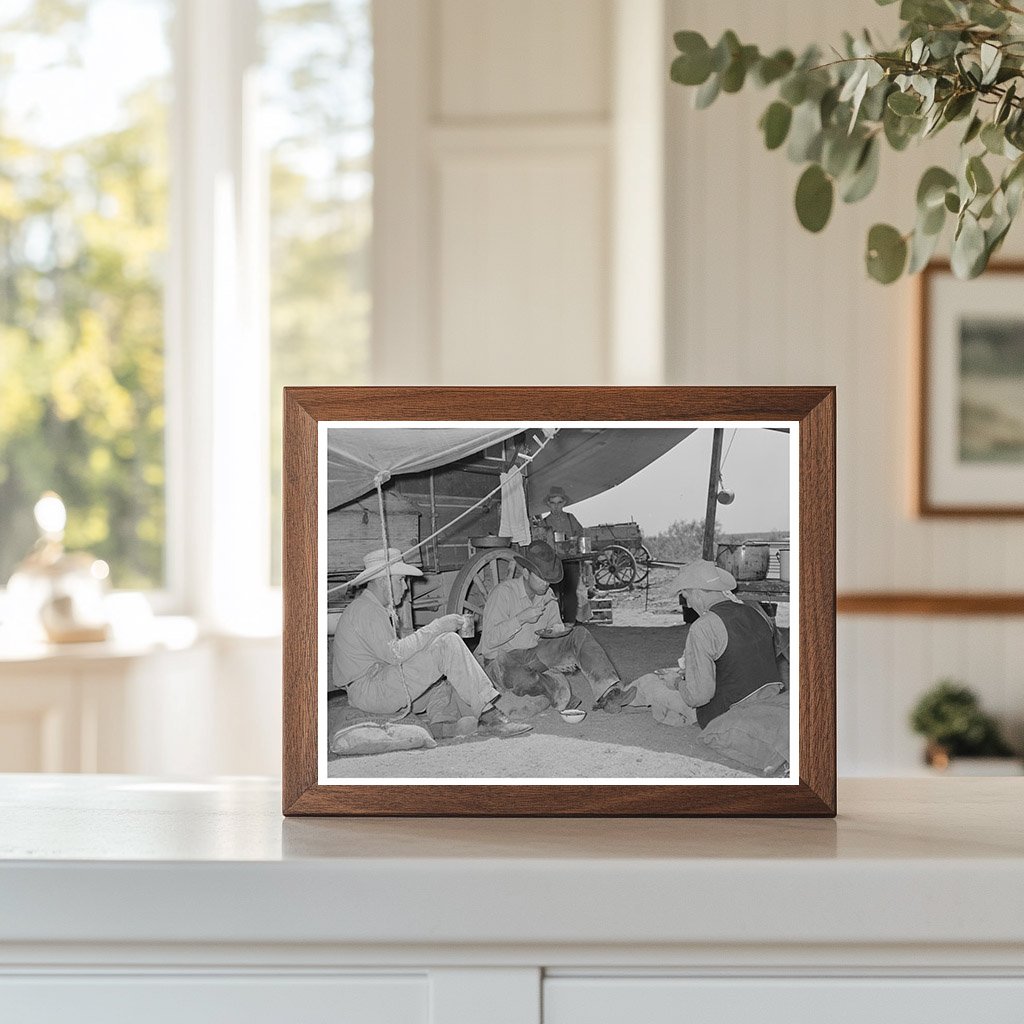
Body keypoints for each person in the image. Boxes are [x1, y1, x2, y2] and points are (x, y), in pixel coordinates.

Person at [333, 548, 532, 740]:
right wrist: (438, 627)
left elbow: (396, 654)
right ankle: (491, 718)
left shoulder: (367, 607)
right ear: (383, 581)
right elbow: (395, 655)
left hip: (373, 686)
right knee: (447, 644)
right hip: (370, 690)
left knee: (444, 681)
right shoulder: (367, 610)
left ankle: (441, 725)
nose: (405, 587)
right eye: (400, 580)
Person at [629, 559, 789, 773]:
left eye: (685, 596)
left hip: (728, 709)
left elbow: (699, 696)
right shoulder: (756, 612)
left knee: (652, 683)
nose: (688, 603)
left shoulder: (703, 627)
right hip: (768, 696)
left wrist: (677, 681)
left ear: (696, 593)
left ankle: (618, 696)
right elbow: (745, 659)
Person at [478, 539, 636, 713]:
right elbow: (489, 641)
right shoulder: (503, 593)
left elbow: (554, 630)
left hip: (532, 654)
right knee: (521, 679)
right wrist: (520, 619)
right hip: (502, 661)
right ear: (525, 572)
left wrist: (563, 650)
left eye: (549, 579)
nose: (546, 584)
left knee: (579, 634)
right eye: (542, 578)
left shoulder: (546, 593)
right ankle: (558, 692)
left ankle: (609, 693)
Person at [539, 486, 585, 622]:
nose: (556, 507)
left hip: (571, 563)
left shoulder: (571, 519)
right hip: (553, 565)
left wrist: (575, 543)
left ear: (564, 503)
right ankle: (556, 623)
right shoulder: (544, 523)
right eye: (553, 503)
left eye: (559, 503)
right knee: (554, 595)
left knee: (570, 594)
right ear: (548, 504)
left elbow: (581, 534)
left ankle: (570, 623)